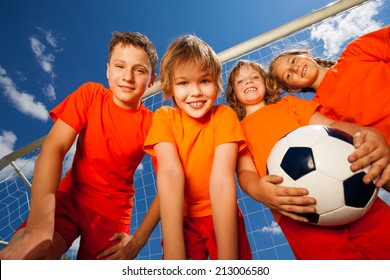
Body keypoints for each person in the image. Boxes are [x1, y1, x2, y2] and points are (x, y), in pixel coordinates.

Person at [0, 31, 160, 260]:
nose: (128, 77)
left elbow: (169, 182)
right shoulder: (90, 94)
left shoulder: (153, 123)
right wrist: (38, 229)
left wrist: (138, 241)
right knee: (27, 251)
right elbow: (54, 148)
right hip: (71, 197)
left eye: (139, 70)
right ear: (107, 70)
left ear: (152, 79)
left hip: (112, 216)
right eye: (120, 66)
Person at [225, 59, 390, 259]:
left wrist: (365, 133)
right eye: (241, 81)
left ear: (266, 82)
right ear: (233, 93)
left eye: (254, 77)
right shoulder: (237, 130)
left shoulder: (289, 105)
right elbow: (245, 172)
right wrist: (259, 191)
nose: (249, 82)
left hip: (354, 187)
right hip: (296, 210)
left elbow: (333, 126)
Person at [143, 35, 252, 260]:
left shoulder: (223, 115)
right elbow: (170, 174)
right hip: (180, 219)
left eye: (204, 81)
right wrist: (174, 256)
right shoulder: (164, 117)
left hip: (222, 214)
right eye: (183, 83)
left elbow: (222, 180)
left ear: (216, 82)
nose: (196, 92)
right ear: (170, 87)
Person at [267, 25, 390, 145]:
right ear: (293, 89)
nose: (295, 68)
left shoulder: (354, 52)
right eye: (288, 75)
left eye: (293, 61)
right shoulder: (320, 111)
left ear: (307, 54)